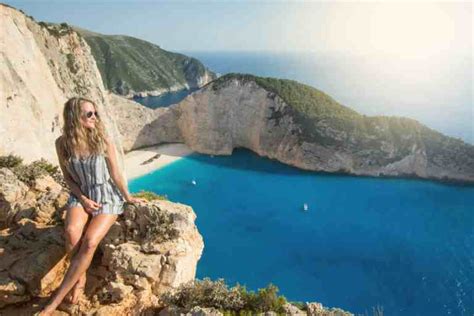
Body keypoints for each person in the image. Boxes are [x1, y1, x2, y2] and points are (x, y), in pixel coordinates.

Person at [39, 97, 147, 315]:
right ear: (74, 117)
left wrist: (128, 196)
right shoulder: (63, 144)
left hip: (107, 195)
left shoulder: (102, 140)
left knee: (89, 242)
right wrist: (83, 198)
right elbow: (67, 178)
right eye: (89, 114)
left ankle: (53, 303)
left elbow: (116, 173)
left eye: (95, 113)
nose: (94, 117)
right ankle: (80, 277)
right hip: (81, 194)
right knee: (71, 233)